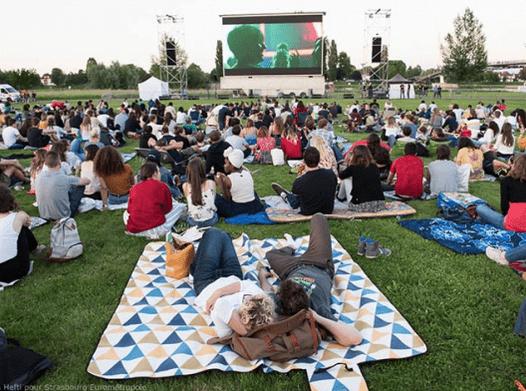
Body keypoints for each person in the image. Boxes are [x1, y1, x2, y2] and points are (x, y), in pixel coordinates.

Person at [258, 214, 362, 347]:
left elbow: (266, 291)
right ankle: (291, 248)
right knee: (318, 218)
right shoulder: (313, 308)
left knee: (271, 254)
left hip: (299, 266)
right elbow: (356, 338)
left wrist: (262, 276)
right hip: (318, 262)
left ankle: (291, 247)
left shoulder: (288, 303)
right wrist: (318, 318)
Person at [191, 227, 275, 338]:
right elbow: (245, 284)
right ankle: (196, 265)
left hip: (206, 281)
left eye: (247, 300)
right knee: (225, 236)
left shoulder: (226, 329)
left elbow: (221, 304)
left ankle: (193, 269)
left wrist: (245, 332)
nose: (247, 298)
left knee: (213, 233)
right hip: (232, 275)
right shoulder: (261, 307)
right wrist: (219, 292)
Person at [0, 184, 48, 284]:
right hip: (15, 270)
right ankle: (35, 249)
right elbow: (28, 222)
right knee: (22, 228)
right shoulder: (16, 217)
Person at [272, 147, 337, 215]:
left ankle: (285, 195)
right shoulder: (331, 174)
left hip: (308, 211)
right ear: (319, 160)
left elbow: (296, 192)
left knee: (295, 199)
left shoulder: (300, 181)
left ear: (303, 161)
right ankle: (286, 195)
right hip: (327, 210)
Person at [123, 163, 179, 236]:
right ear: (155, 173)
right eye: (159, 172)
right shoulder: (162, 185)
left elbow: (129, 210)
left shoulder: (134, 188)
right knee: (179, 207)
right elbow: (168, 208)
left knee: (125, 214)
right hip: (157, 227)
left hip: (135, 229)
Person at [476, 153, 526, 232]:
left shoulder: (506, 181)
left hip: (511, 225)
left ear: (515, 165)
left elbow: (504, 207)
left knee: (479, 208)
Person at [35, 151, 89, 220]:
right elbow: (87, 181)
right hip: (63, 215)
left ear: (45, 163)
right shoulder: (64, 178)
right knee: (80, 186)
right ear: (60, 162)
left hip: (44, 215)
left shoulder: (39, 176)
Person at [214, 148, 265, 218]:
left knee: (216, 197)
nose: (224, 165)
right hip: (254, 207)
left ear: (232, 165)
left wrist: (220, 183)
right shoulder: (247, 173)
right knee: (252, 191)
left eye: (225, 163)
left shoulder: (227, 180)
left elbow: (227, 198)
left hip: (238, 209)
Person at [338, 145, 385, 212]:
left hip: (361, 206)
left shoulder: (353, 168)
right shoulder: (374, 167)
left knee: (346, 179)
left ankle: (340, 197)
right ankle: (341, 197)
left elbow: (341, 175)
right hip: (379, 204)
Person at [183, 157, 218, 227]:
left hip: (193, 222)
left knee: (183, 212)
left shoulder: (185, 186)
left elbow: (188, 202)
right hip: (211, 220)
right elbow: (213, 199)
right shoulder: (211, 183)